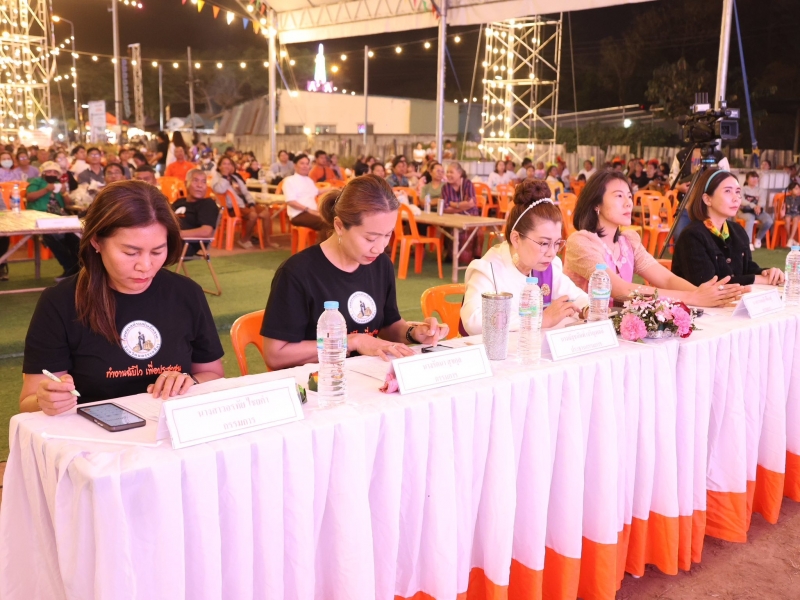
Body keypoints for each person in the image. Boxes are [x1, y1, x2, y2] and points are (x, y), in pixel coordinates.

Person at [19, 180, 225, 413]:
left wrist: (191, 381)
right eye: (130, 252)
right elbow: (29, 402)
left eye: (157, 251)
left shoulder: (186, 293)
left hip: (170, 427)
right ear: (96, 241)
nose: (145, 266)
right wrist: (46, 400)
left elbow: (214, 374)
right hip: (94, 431)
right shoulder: (61, 302)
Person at [260, 175, 448, 370]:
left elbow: (389, 325)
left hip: (367, 376)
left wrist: (414, 332)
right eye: (370, 238)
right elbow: (275, 355)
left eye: (387, 235)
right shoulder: (297, 273)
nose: (380, 248)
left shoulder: (380, 264)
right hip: (319, 381)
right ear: (339, 226)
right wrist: (352, 342)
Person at [563, 169, 746, 307]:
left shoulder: (628, 241)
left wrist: (709, 295)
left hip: (617, 325)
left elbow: (666, 279)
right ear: (596, 204)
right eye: (619, 196)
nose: (628, 203)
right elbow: (618, 289)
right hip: (584, 328)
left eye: (629, 196)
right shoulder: (581, 242)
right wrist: (692, 297)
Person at [461, 180, 589, 336]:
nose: (552, 252)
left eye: (557, 243)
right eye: (544, 243)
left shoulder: (548, 266)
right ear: (516, 239)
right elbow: (473, 320)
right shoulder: (488, 270)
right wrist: (539, 320)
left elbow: (577, 297)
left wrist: (587, 309)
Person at [672, 169, 783, 287]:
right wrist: (756, 279)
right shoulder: (692, 236)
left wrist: (766, 273)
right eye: (728, 191)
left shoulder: (738, 231)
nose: (736, 198)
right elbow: (707, 285)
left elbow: (747, 268)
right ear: (707, 199)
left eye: (737, 192)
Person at [24, 161, 80, 281]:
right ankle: (70, 268)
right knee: (51, 236)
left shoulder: (58, 184)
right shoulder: (36, 182)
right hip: (40, 217)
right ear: (43, 172)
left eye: (55, 172)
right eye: (49, 171)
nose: (52, 174)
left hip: (60, 217)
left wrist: (64, 192)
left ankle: (78, 267)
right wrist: (46, 189)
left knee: (74, 236)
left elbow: (68, 204)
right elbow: (30, 197)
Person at [212, 156, 259, 248]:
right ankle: (244, 240)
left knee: (265, 213)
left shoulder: (234, 177)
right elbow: (220, 190)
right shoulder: (217, 178)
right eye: (224, 164)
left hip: (244, 204)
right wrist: (224, 177)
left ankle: (267, 242)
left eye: (229, 164)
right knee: (253, 215)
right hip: (232, 208)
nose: (227, 166)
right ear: (219, 166)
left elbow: (246, 192)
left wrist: (251, 204)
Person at [172, 169, 220, 255]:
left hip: (186, 244)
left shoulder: (207, 204)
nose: (200, 185)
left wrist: (175, 234)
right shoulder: (179, 202)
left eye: (203, 182)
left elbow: (206, 232)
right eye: (195, 180)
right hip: (167, 240)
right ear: (186, 183)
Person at [283, 153, 326, 231]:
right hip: (298, 214)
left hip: (313, 212)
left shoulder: (309, 180)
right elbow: (290, 202)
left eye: (307, 164)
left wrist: (333, 189)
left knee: (335, 220)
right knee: (325, 223)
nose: (305, 166)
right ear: (295, 166)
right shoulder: (289, 180)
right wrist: (308, 210)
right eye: (302, 163)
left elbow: (317, 191)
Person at [738, 171, 773, 250]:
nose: (754, 179)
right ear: (747, 180)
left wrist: (758, 207)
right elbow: (742, 201)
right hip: (744, 211)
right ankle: (748, 242)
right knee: (750, 219)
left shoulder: (761, 190)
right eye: (752, 177)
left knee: (769, 221)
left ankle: (758, 238)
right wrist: (753, 206)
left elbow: (762, 201)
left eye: (756, 178)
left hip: (758, 211)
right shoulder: (742, 189)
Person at [783, 181, 800, 247]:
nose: (798, 190)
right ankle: (791, 239)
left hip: (797, 214)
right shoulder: (787, 198)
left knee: (796, 219)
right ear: (790, 191)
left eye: (799, 188)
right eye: (796, 189)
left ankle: (790, 239)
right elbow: (785, 208)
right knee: (787, 219)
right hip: (789, 213)